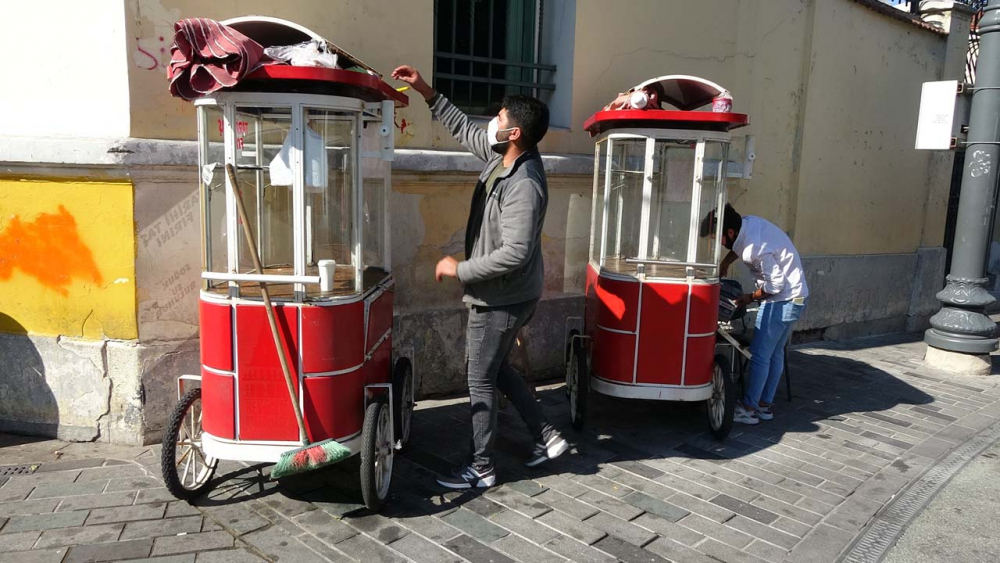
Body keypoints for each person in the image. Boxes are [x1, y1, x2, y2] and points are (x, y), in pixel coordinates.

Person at [391, 65, 568, 489]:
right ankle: (546, 435)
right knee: (495, 367)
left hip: (501, 298)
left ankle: (483, 466)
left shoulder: (524, 182)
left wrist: (460, 269)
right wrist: (426, 91)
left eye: (502, 118)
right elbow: (464, 130)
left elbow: (516, 253)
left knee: (479, 376)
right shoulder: (502, 157)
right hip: (502, 294)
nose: (494, 121)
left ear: (514, 134)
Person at [701, 203, 808, 425]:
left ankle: (749, 409)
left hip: (782, 299)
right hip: (797, 296)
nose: (717, 243)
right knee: (775, 353)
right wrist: (725, 262)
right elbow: (738, 247)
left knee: (760, 355)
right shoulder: (748, 223)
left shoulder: (754, 248)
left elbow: (775, 285)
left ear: (729, 232)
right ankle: (764, 406)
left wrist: (749, 297)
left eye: (717, 238)